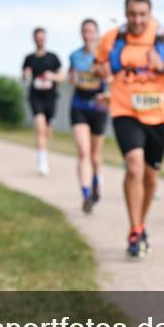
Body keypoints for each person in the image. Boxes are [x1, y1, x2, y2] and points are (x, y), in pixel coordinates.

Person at [95, 0, 164, 257]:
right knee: (134, 166)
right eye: (132, 14)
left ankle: (141, 222)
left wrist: (162, 68)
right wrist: (101, 72)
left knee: (150, 176)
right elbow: (97, 66)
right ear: (125, 14)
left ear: (150, 14)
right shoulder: (113, 38)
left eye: (142, 14)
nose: (137, 20)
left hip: (160, 115)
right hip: (125, 110)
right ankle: (135, 228)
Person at [68, 19, 108, 213]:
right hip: (79, 106)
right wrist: (73, 78)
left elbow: (109, 76)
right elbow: (71, 76)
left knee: (94, 156)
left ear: (97, 34)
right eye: (85, 31)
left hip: (99, 107)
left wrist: (99, 70)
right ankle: (85, 195)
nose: (88, 35)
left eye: (91, 31)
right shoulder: (74, 56)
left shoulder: (104, 54)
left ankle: (96, 181)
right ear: (81, 34)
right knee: (83, 152)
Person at [22, 27, 63, 175]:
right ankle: (42, 161)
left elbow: (61, 77)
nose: (40, 40)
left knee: (47, 130)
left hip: (50, 98)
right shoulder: (29, 58)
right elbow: (24, 76)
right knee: (40, 127)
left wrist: (52, 76)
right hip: (36, 97)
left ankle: (44, 151)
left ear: (45, 38)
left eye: (42, 37)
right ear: (34, 39)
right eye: (37, 37)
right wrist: (26, 74)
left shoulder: (53, 57)